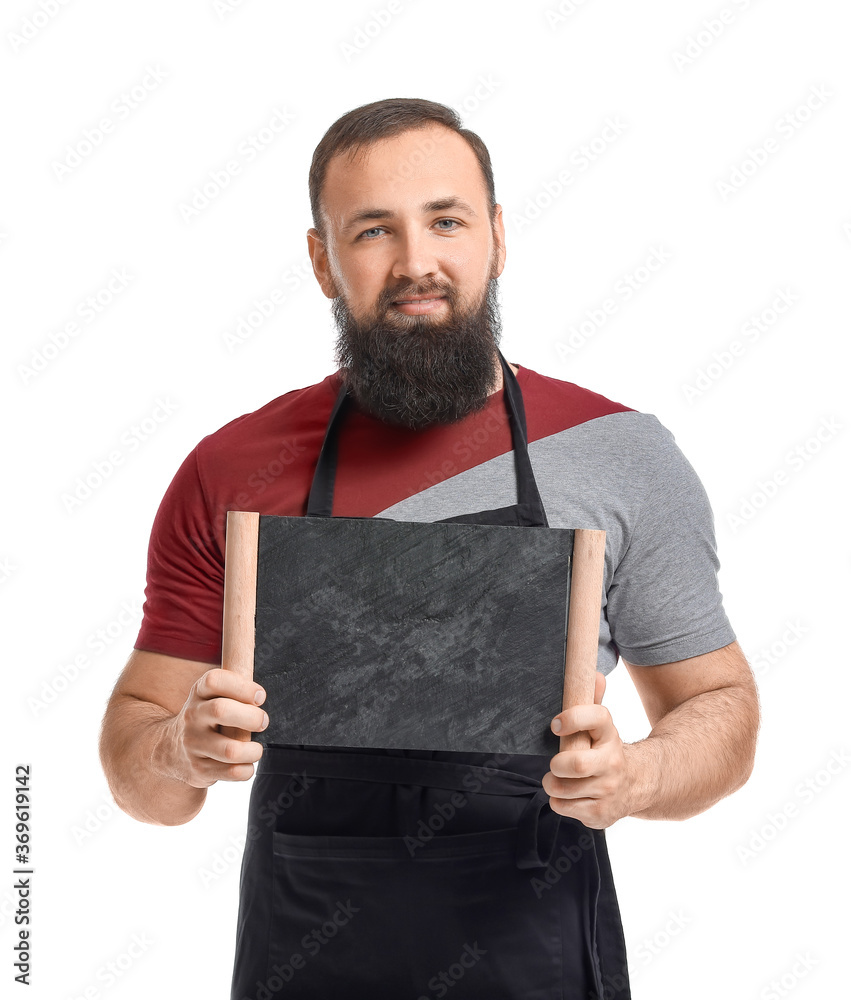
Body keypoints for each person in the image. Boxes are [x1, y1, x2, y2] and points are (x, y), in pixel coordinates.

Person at [99, 97, 760, 999]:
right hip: (306, 960)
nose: (417, 264)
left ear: (494, 235)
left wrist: (636, 773)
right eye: (372, 231)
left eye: (445, 221)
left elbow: (720, 707)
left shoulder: (617, 454)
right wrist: (179, 750)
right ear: (322, 262)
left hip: (538, 961)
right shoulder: (230, 470)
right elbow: (142, 775)